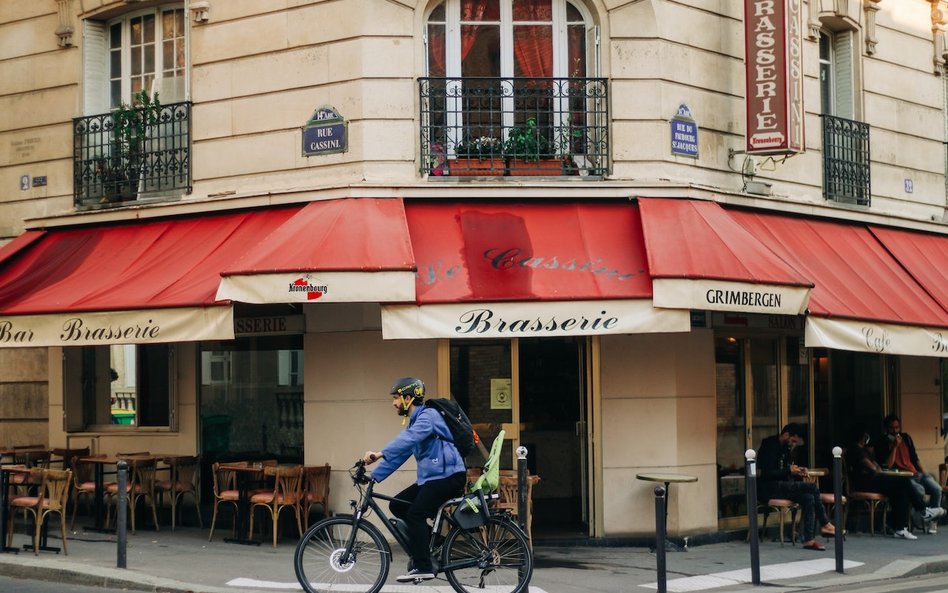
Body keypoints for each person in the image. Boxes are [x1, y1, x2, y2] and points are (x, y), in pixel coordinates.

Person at [363, 377, 467, 582]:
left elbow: (408, 440)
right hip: (434, 478)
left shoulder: (429, 416)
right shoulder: (416, 421)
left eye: (396, 398)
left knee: (415, 514)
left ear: (408, 398)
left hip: (449, 476)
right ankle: (436, 544)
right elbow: (402, 452)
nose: (394, 403)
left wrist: (379, 453)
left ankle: (423, 565)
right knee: (397, 506)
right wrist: (374, 476)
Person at [849, 426, 944, 539]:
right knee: (904, 481)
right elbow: (872, 468)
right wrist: (875, 467)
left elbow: (877, 466)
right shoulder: (855, 449)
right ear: (862, 437)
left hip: (874, 480)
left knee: (901, 490)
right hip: (866, 483)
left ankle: (900, 529)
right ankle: (923, 511)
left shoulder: (865, 450)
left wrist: (875, 466)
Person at [757, 423, 835, 551]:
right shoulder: (769, 445)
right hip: (768, 488)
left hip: (781, 487)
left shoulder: (786, 449)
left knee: (808, 497)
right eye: (793, 440)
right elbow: (765, 472)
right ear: (786, 434)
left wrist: (797, 470)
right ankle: (825, 523)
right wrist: (789, 470)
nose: (793, 444)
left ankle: (808, 539)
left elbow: (786, 469)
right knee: (812, 487)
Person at [875, 414, 943, 533]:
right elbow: (888, 465)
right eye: (892, 428)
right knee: (920, 490)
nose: (895, 431)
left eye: (897, 427)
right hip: (902, 476)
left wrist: (923, 472)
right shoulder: (882, 442)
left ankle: (932, 521)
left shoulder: (906, 438)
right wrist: (895, 446)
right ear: (886, 429)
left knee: (936, 489)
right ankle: (920, 515)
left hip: (915, 473)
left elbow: (914, 458)